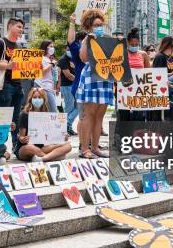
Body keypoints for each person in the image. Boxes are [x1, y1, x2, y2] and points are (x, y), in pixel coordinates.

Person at [76, 9, 113, 159]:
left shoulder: (107, 39)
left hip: (105, 77)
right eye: (96, 25)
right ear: (89, 26)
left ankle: (96, 147)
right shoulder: (87, 39)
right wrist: (89, 40)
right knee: (89, 114)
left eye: (101, 24)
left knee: (100, 115)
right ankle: (85, 149)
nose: (99, 27)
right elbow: (84, 58)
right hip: (91, 76)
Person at [0, 17, 25, 148]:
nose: (21, 30)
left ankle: (16, 147)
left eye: (22, 27)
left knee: (15, 119)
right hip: (3, 85)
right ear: (10, 26)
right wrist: (7, 66)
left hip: (18, 85)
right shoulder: (0, 42)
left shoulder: (19, 46)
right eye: (19, 27)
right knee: (1, 118)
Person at [15, 87, 72, 162]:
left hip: (41, 148)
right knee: (31, 148)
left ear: (44, 99)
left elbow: (52, 136)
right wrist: (23, 139)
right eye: (35, 97)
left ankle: (42, 158)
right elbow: (21, 136)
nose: (37, 99)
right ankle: (52, 157)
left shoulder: (46, 115)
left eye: (39, 97)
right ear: (30, 99)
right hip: (25, 148)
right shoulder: (25, 114)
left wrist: (62, 136)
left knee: (68, 146)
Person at [119, 28, 151, 122]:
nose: (134, 46)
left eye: (136, 45)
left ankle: (136, 135)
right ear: (127, 43)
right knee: (124, 116)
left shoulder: (143, 54)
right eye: (132, 44)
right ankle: (124, 135)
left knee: (138, 116)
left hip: (139, 89)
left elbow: (148, 72)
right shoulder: (122, 53)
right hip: (124, 88)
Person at [58, 44, 78, 135]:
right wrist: (79, 80)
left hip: (74, 85)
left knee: (79, 107)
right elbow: (68, 75)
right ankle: (64, 127)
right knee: (69, 107)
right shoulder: (63, 60)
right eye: (68, 49)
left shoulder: (74, 58)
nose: (69, 50)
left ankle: (67, 125)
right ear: (65, 49)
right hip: (67, 86)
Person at [34, 40, 58, 113]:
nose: (52, 48)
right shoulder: (40, 58)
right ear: (45, 48)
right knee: (53, 111)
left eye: (53, 46)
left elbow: (53, 76)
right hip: (43, 86)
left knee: (47, 111)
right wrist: (51, 65)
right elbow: (41, 73)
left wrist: (55, 87)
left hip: (49, 87)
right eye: (50, 46)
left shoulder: (49, 59)